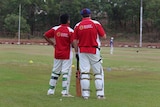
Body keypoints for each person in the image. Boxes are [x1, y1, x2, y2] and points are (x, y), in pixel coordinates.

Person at [73, 8, 107, 99]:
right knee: (98, 73)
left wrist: (76, 52)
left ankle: (85, 95)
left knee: (84, 73)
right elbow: (104, 36)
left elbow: (75, 40)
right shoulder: (96, 24)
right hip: (94, 50)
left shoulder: (77, 25)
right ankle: (100, 94)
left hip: (82, 51)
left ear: (81, 16)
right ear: (90, 15)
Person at [43, 13, 77, 97]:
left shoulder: (55, 29)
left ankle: (50, 90)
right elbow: (73, 43)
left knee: (55, 72)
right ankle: (65, 92)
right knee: (66, 73)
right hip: (67, 55)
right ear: (68, 21)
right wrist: (76, 50)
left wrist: (52, 43)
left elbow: (45, 35)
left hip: (57, 54)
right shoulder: (70, 31)